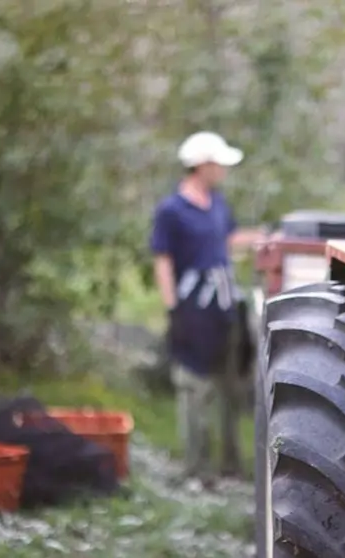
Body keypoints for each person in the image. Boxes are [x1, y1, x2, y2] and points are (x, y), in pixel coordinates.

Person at [149, 131, 263, 482]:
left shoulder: (217, 204)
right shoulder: (171, 211)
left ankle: (231, 465)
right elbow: (163, 260)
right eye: (219, 164)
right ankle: (196, 469)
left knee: (230, 389)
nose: (224, 171)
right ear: (201, 165)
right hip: (192, 313)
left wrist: (263, 237)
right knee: (195, 390)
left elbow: (227, 241)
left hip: (224, 310)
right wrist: (173, 309)